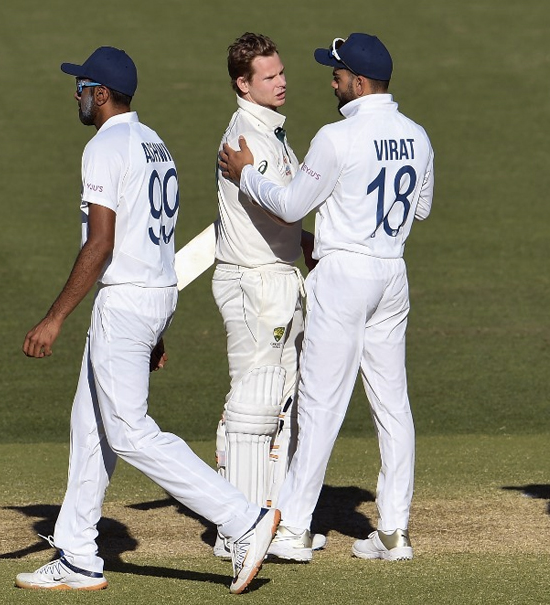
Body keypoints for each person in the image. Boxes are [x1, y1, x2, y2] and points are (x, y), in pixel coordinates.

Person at [16, 46, 279, 594]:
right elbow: (153, 239)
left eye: (82, 87)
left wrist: (54, 318)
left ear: (101, 94)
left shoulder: (104, 147)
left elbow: (101, 243)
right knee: (91, 427)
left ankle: (243, 518)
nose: (76, 95)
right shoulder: (154, 143)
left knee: (129, 432)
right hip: (155, 293)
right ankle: (77, 554)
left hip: (127, 300)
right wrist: (156, 328)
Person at [218, 32, 434, 562]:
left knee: (319, 404)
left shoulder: (337, 137)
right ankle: (394, 531)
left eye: (337, 76)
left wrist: (246, 174)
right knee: (393, 404)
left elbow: (291, 206)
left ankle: (293, 528)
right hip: (392, 272)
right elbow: (422, 207)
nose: (331, 83)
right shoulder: (417, 135)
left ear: (358, 83)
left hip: (343, 276)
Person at [209, 31, 324, 559]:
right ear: (243, 83)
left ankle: (267, 522)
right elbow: (281, 204)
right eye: (269, 76)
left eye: (281, 72)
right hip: (254, 281)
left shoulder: (271, 132)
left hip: (276, 275)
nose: (281, 82)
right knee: (252, 407)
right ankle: (239, 530)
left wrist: (303, 241)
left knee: (279, 404)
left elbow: (278, 213)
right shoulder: (245, 139)